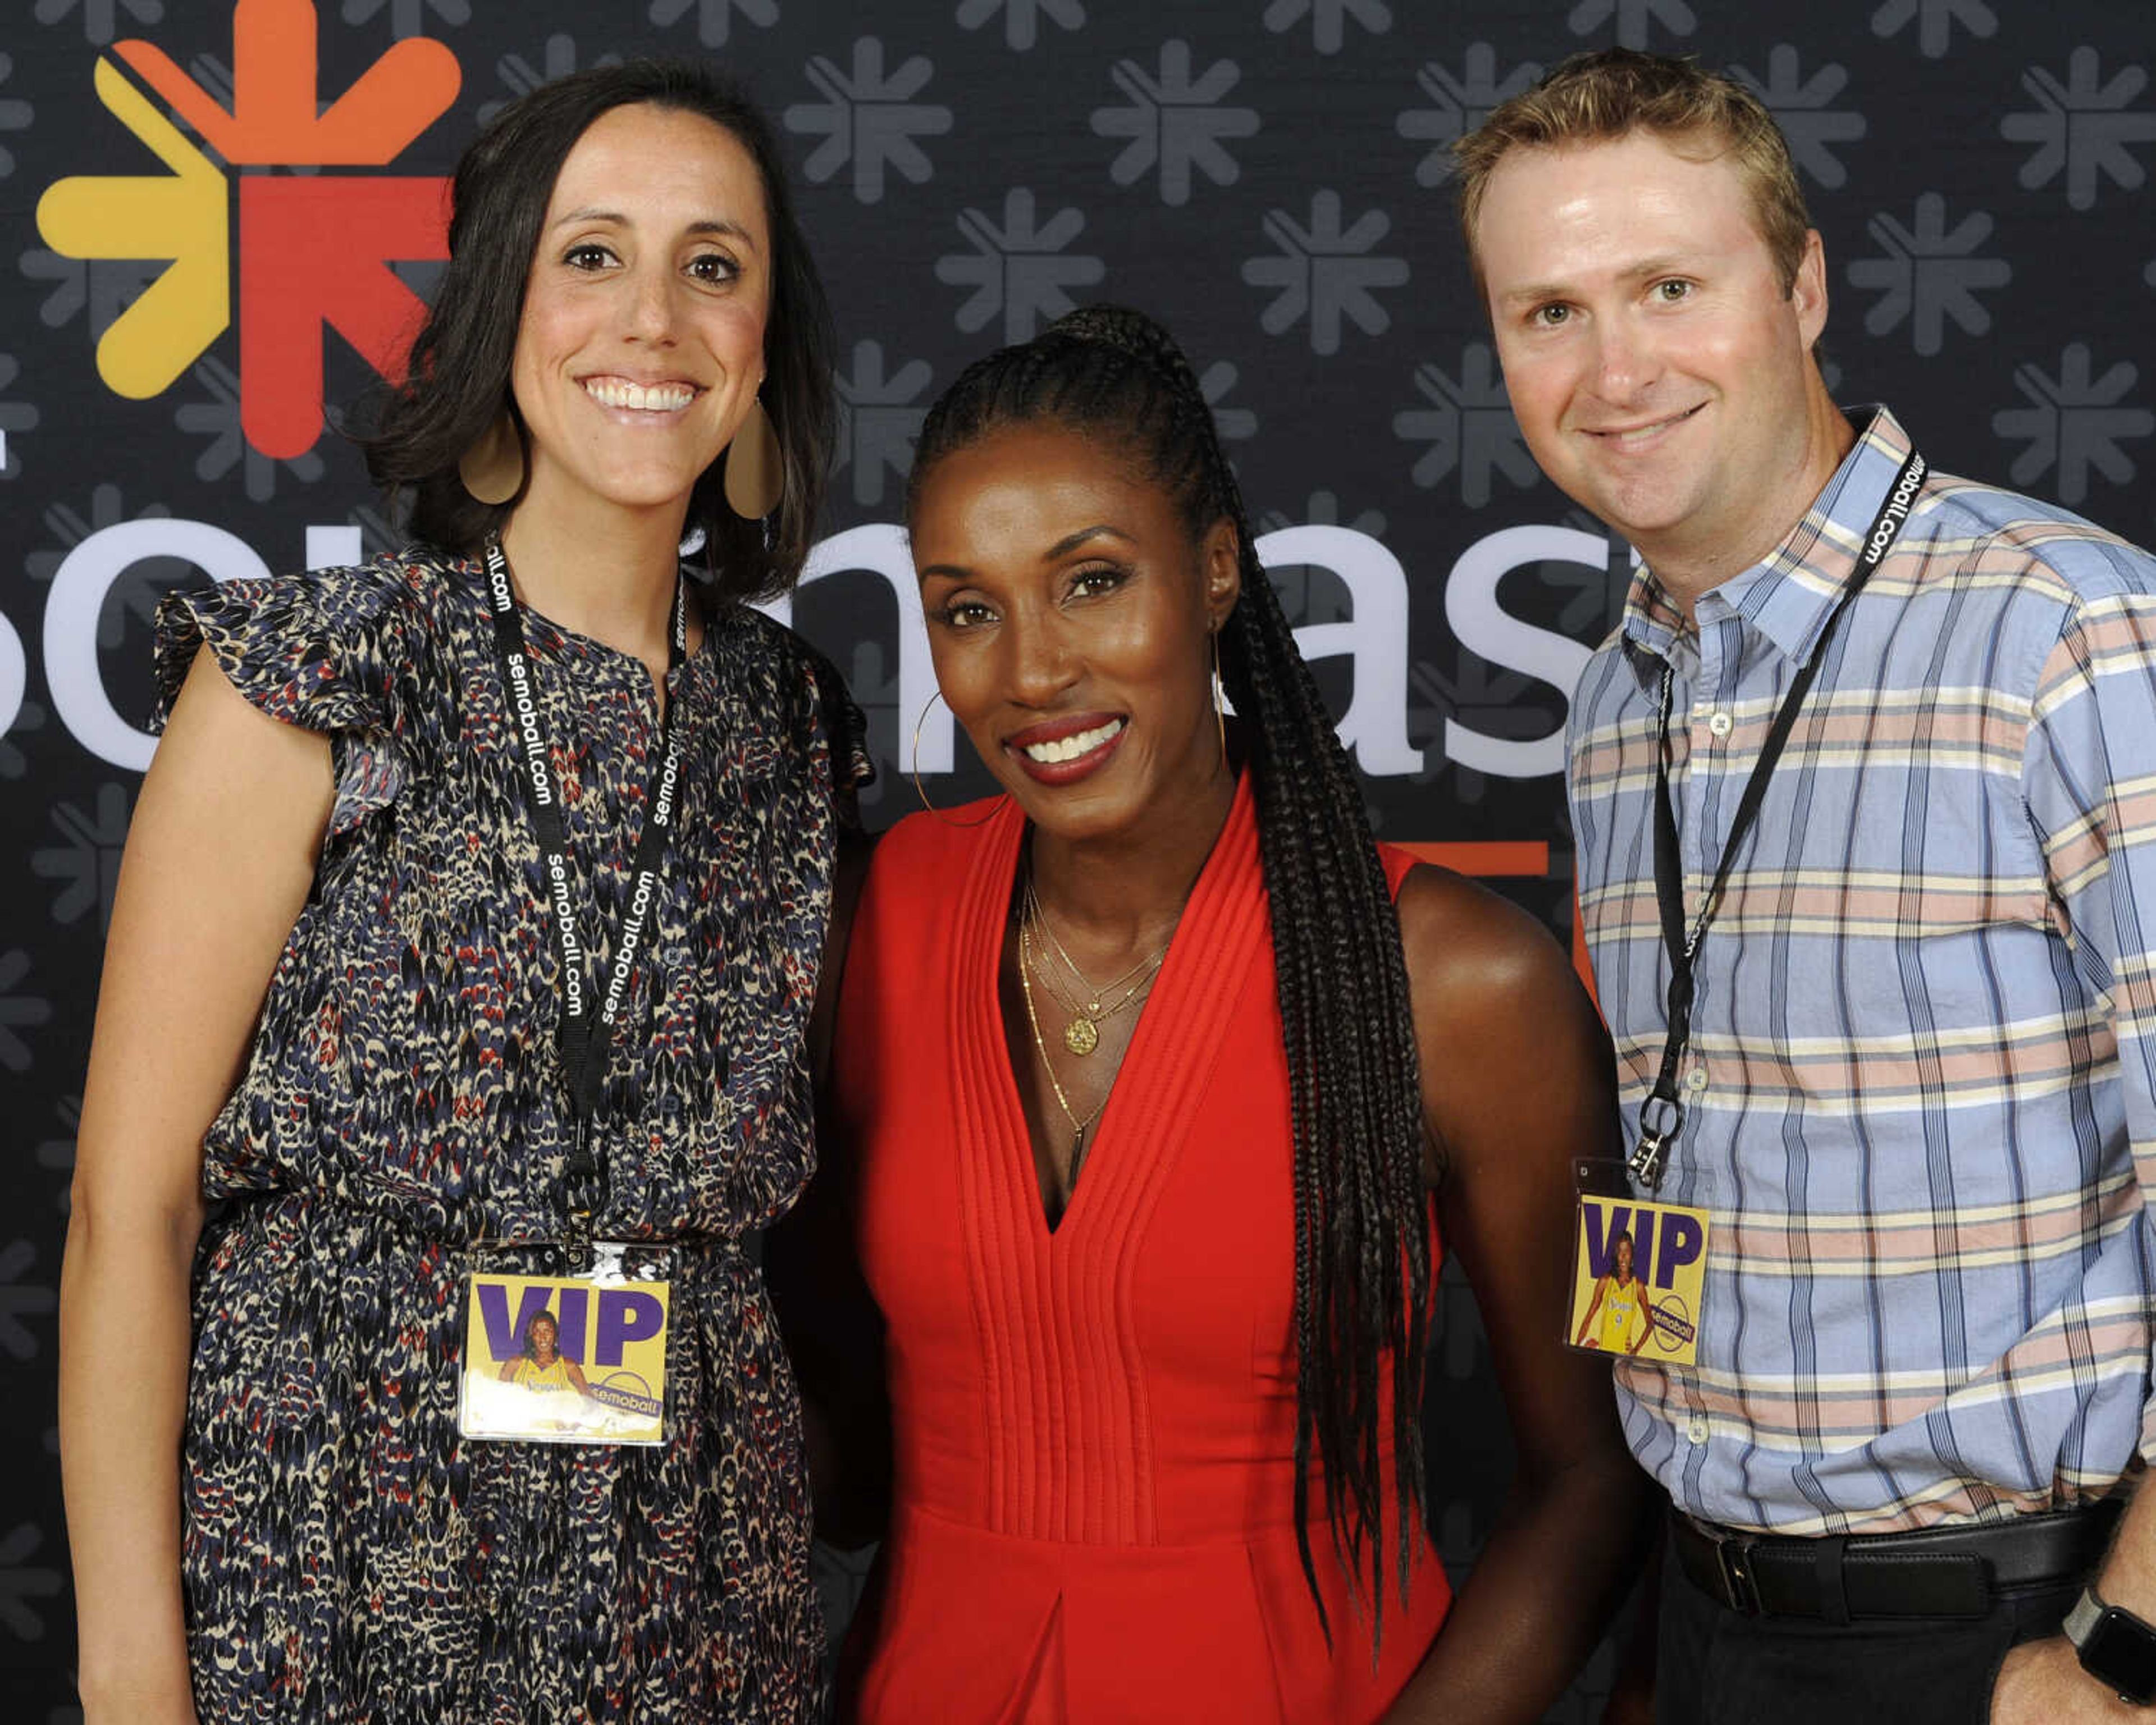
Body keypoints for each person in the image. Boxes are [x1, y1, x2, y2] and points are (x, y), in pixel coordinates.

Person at [58, 60, 864, 1725]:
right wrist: (134, 1678)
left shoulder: (790, 726)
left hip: (701, 1586)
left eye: (713, 267)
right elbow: (127, 1217)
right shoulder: (309, 677)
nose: (652, 318)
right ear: (498, 313)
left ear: (762, 350)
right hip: (332, 1557)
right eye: (591, 256)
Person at [793, 304, 1649, 1723]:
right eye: (966, 608)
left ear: (1209, 571)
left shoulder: (1459, 980)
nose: (1030, 672)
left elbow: (1600, 1465)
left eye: (1091, 582)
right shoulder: (879, 918)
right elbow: (838, 1439)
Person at [1455, 48, 2156, 1725]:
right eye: (1545, 312)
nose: (1611, 369)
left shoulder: (2062, 638)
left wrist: (2128, 1652)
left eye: (1666, 288)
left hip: (2018, 1636)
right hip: (1714, 1624)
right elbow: (1690, 1131)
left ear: (1802, 284)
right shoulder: (1620, 704)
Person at [1575, 1231, 1650, 1357]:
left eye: (1627, 1251)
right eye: (1620, 1252)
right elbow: (1589, 1318)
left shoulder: (1638, 1287)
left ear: (1632, 1255)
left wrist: (1635, 1350)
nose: (1623, 1256)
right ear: (1616, 1255)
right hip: (1603, 1352)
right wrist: (1578, 1348)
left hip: (1624, 1357)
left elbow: (1650, 1324)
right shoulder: (1605, 1281)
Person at [499, 1310, 592, 1398]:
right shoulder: (515, 1364)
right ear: (531, 1336)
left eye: (547, 1331)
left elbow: (590, 1401)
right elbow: (497, 1400)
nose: (543, 1337)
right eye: (537, 1332)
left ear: (555, 1334)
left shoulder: (568, 1366)